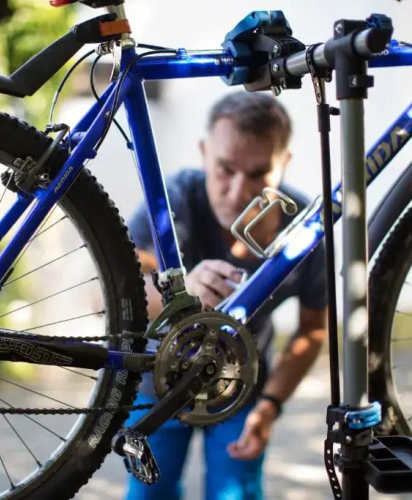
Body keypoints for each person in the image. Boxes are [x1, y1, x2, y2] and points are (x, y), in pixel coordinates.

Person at [124, 90, 329, 500]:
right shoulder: (170, 205)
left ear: (284, 163)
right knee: (149, 495)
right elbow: (109, 297)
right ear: (204, 153)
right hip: (156, 387)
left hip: (241, 393)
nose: (238, 192)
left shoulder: (305, 231)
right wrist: (180, 292)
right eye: (225, 169)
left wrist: (270, 406)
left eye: (257, 173)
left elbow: (312, 329)